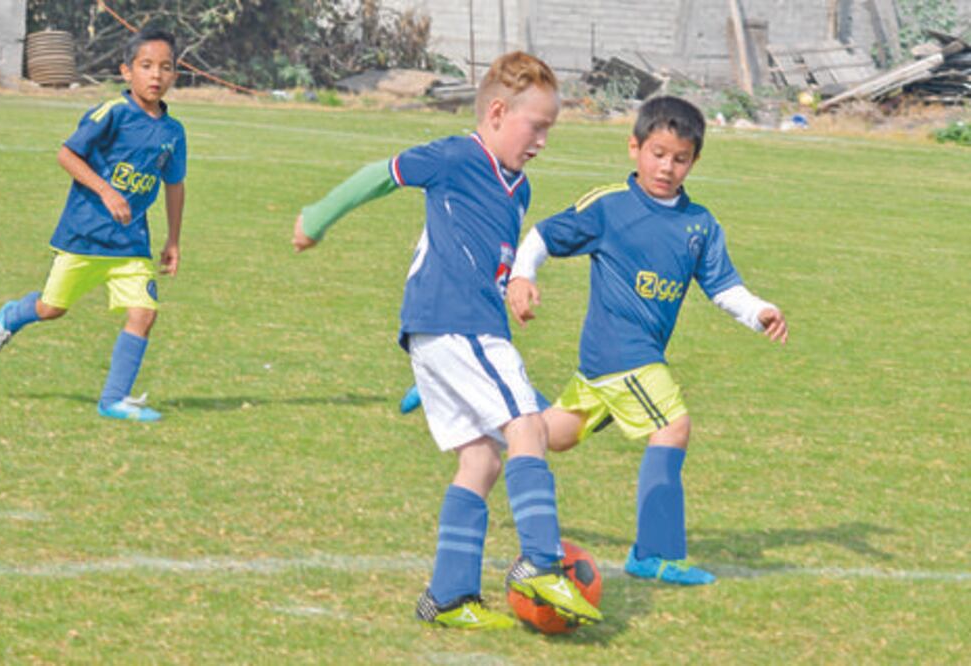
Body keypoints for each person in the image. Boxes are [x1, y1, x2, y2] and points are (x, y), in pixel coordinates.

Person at [292, 52, 602, 630]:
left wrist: (513, 287)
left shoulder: (519, 187)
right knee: (528, 427)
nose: (542, 141)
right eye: (537, 127)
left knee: (480, 461)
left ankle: (449, 596)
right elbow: (381, 173)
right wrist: (317, 216)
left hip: (450, 328)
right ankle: (538, 562)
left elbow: (487, 252)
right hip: (459, 320)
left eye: (549, 130)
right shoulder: (458, 156)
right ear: (498, 111)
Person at [506, 96, 789, 586]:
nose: (667, 167)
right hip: (622, 354)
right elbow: (544, 235)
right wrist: (522, 275)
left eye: (680, 158)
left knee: (555, 435)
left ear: (694, 161)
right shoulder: (610, 207)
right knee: (673, 426)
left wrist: (758, 311)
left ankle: (473, 391)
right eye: (658, 153)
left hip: (618, 364)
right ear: (634, 147)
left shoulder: (699, 225)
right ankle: (653, 553)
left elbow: (723, 287)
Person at [0, 28, 187, 422]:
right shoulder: (112, 114)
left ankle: (114, 400)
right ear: (127, 71)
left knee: (144, 313)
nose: (156, 75)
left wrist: (173, 240)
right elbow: (68, 155)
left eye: (166, 67)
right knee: (51, 308)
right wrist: (107, 192)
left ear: (175, 74)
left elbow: (174, 184)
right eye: (146, 66)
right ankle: (13, 315)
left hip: (131, 245)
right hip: (84, 237)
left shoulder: (173, 133)